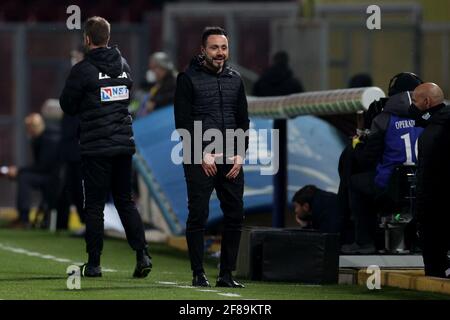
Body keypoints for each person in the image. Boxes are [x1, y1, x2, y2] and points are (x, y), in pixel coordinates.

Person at [60, 16, 152, 278]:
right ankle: (142, 253)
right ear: (108, 38)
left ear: (87, 39)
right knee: (125, 201)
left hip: (96, 147)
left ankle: (95, 263)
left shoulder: (82, 69)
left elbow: (67, 105)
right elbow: (127, 97)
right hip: (123, 145)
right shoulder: (124, 65)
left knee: (95, 205)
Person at [174, 26, 249, 288]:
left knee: (235, 215)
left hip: (230, 159)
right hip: (199, 159)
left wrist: (240, 154)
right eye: (215, 48)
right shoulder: (186, 79)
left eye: (224, 48)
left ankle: (226, 274)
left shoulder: (236, 79)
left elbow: (243, 121)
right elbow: (182, 124)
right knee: (198, 215)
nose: (220, 53)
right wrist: (202, 154)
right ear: (203, 50)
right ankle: (198, 273)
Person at [340, 72, 424, 254]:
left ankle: (364, 242)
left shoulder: (383, 118)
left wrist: (357, 143)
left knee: (356, 183)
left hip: (390, 187)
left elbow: (367, 158)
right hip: (424, 185)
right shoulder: (431, 118)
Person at [410, 82, 450, 278]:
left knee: (435, 264)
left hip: (435, 205)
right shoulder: (439, 125)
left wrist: (421, 209)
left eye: (415, 101)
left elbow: (428, 176)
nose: (412, 106)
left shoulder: (432, 133)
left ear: (426, 102)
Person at [0, 113, 61, 229]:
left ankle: (23, 219)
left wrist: (19, 170)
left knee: (24, 178)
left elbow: (43, 167)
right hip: (49, 176)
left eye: (28, 127)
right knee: (24, 176)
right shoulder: (40, 138)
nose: (27, 130)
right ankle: (22, 217)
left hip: (54, 179)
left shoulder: (49, 139)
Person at [56, 47, 85, 230]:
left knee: (80, 187)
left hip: (80, 143)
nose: (73, 60)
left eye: (76, 56)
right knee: (72, 186)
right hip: (70, 143)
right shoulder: (75, 77)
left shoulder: (87, 77)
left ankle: (89, 222)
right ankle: (69, 222)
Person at [136, 52, 177, 117]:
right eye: (151, 68)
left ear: (163, 66)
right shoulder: (159, 83)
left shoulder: (174, 81)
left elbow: (173, 96)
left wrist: (156, 103)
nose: (152, 71)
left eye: (155, 68)